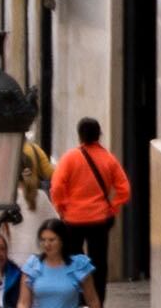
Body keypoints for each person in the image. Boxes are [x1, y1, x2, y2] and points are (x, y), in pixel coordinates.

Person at [48, 119, 131, 278]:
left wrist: (62, 207)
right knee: (99, 262)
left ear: (79, 136)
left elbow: (57, 186)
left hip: (73, 218)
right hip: (99, 218)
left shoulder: (69, 158)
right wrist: (112, 207)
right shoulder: (108, 159)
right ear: (99, 135)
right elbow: (124, 189)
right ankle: (97, 300)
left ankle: (79, 297)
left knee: (72, 260)